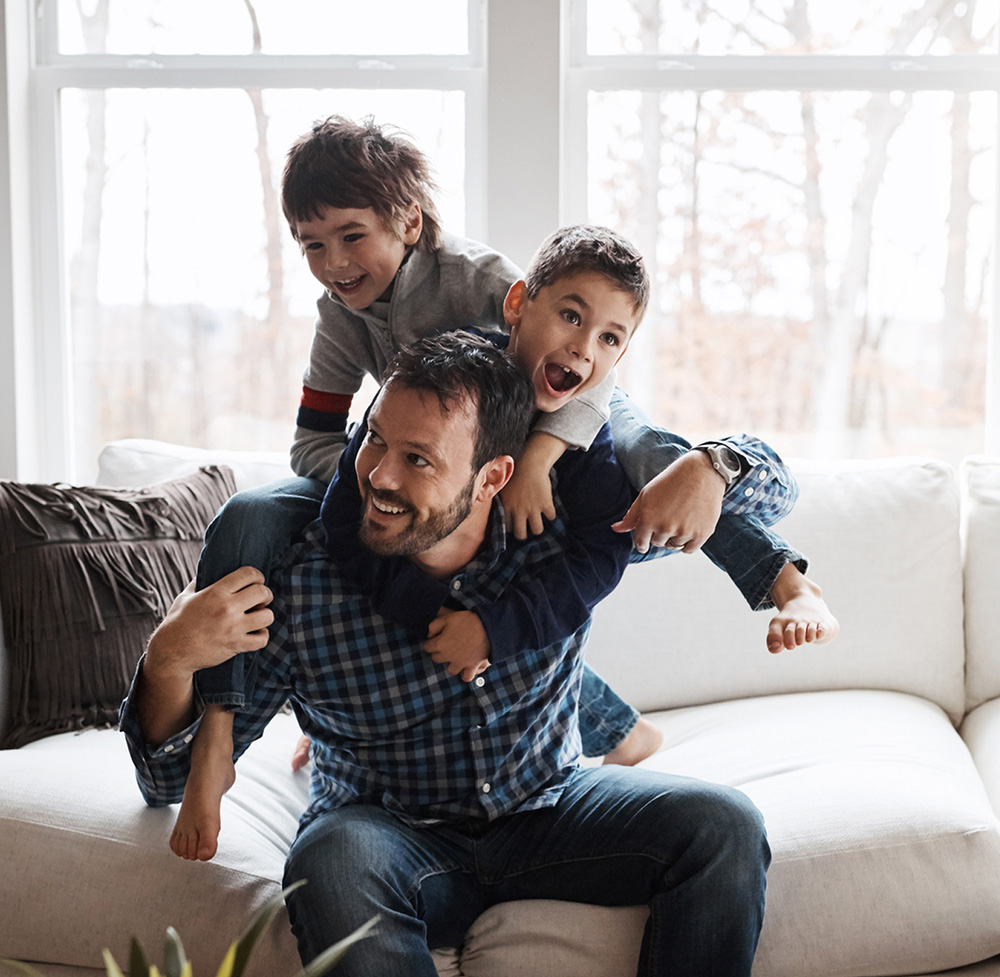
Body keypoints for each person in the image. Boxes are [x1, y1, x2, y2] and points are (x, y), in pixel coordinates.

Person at [120, 333, 771, 977]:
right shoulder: (306, 575)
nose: (380, 476)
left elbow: (772, 498)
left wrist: (716, 464)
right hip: (389, 831)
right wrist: (168, 660)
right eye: (374, 442)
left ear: (495, 475)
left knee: (724, 827)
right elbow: (169, 783)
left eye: (418, 459)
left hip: (552, 803)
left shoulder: (559, 528)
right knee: (331, 861)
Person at [173, 116, 832, 862]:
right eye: (312, 245)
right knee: (253, 514)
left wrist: (543, 458)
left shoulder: (479, 282)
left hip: (560, 422)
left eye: (352, 237)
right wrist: (386, 477)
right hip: (437, 474)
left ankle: (784, 583)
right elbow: (312, 442)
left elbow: (574, 362)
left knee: (656, 466)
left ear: (410, 222)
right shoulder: (340, 318)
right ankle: (221, 730)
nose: (334, 262)